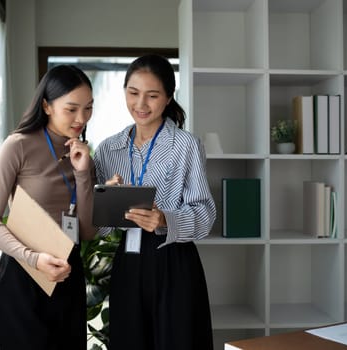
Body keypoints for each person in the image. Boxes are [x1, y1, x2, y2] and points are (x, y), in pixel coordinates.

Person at [93, 54, 216, 350]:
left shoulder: (186, 145)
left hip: (173, 260)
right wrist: (104, 202)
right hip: (127, 261)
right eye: (133, 93)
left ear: (168, 97)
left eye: (152, 95)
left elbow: (206, 215)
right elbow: (99, 229)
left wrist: (165, 219)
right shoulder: (108, 149)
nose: (141, 104)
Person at [0, 65, 96, 350]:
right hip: (23, 276)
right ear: (46, 105)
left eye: (88, 108)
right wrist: (32, 258)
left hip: (67, 274)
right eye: (71, 109)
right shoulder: (18, 145)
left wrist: (83, 172)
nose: (81, 118)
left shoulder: (82, 153)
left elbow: (89, 231)